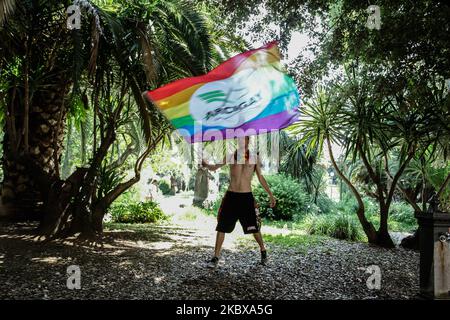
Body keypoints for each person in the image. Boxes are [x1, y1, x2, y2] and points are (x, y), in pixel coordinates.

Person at [201, 136, 276, 268]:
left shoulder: (254, 158)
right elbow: (215, 167)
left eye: (245, 139)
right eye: (240, 139)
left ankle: (263, 250)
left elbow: (260, 177)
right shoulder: (230, 155)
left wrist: (270, 194)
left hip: (246, 198)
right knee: (222, 227)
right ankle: (215, 257)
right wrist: (206, 164)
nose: (242, 141)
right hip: (231, 196)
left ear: (248, 141)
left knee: (253, 228)